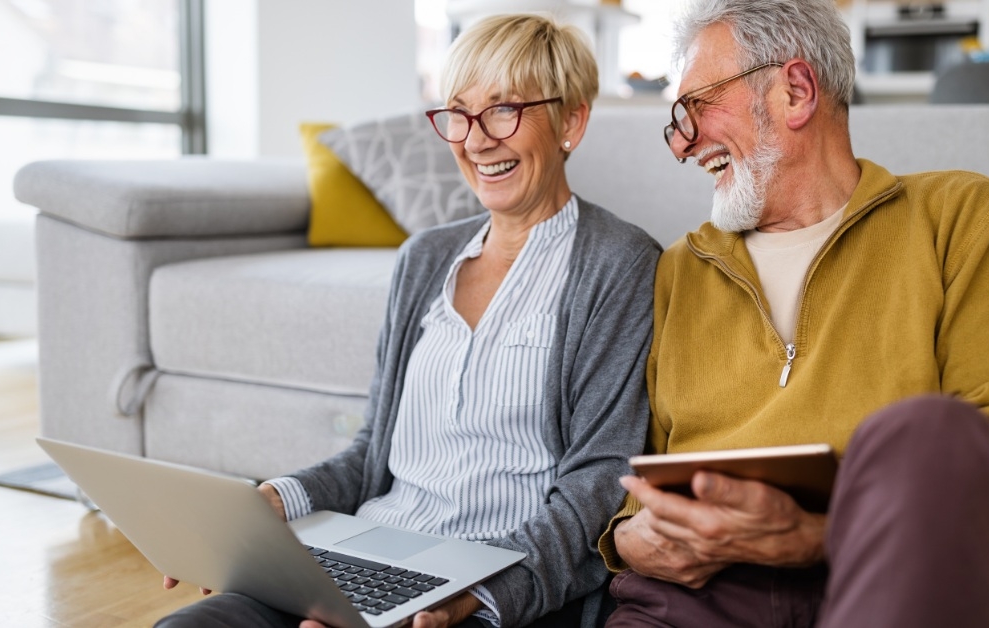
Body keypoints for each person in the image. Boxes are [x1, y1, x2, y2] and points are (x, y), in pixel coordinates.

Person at [157, 14, 660, 628]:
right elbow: (373, 454)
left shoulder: (620, 263)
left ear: (570, 122)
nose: (476, 140)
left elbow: (599, 483)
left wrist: (479, 589)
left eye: (504, 110)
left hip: (498, 590)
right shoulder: (425, 257)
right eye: (459, 113)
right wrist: (270, 500)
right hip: (369, 556)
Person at [597, 1, 989, 627]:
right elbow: (641, 480)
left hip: (883, 580)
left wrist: (816, 535)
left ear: (795, 90)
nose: (683, 144)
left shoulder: (958, 218)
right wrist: (630, 541)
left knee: (935, 433)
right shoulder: (683, 268)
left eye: (697, 107)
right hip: (695, 599)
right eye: (675, 121)